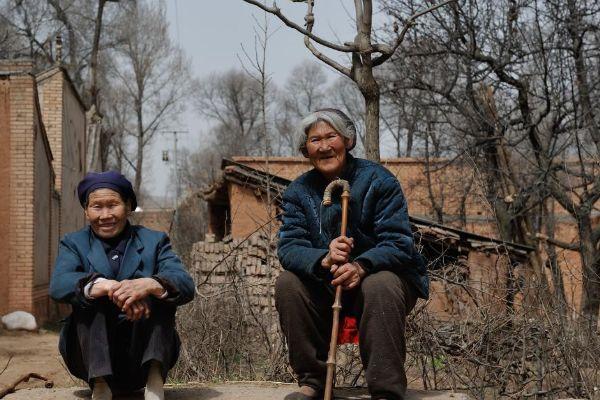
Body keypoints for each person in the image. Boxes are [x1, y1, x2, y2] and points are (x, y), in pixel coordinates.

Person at [276, 109, 429, 400]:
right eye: (314, 139)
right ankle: (313, 382)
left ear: (347, 140)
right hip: (326, 283)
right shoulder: (298, 192)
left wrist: (360, 266)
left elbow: (398, 243)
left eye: (331, 136)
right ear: (305, 149)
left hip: (379, 282)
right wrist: (323, 258)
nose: (324, 146)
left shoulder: (379, 181)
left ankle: (385, 390)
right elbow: (289, 247)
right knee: (287, 284)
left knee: (379, 284)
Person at [49, 171, 195, 400]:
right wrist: (103, 286)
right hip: (88, 356)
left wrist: (150, 284)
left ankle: (154, 379)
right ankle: (100, 384)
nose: (105, 215)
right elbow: (58, 284)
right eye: (97, 206)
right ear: (86, 210)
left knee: (159, 289)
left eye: (113, 205)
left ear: (128, 206)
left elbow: (185, 283)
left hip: (143, 352)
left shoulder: (154, 241)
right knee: (91, 297)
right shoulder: (74, 243)